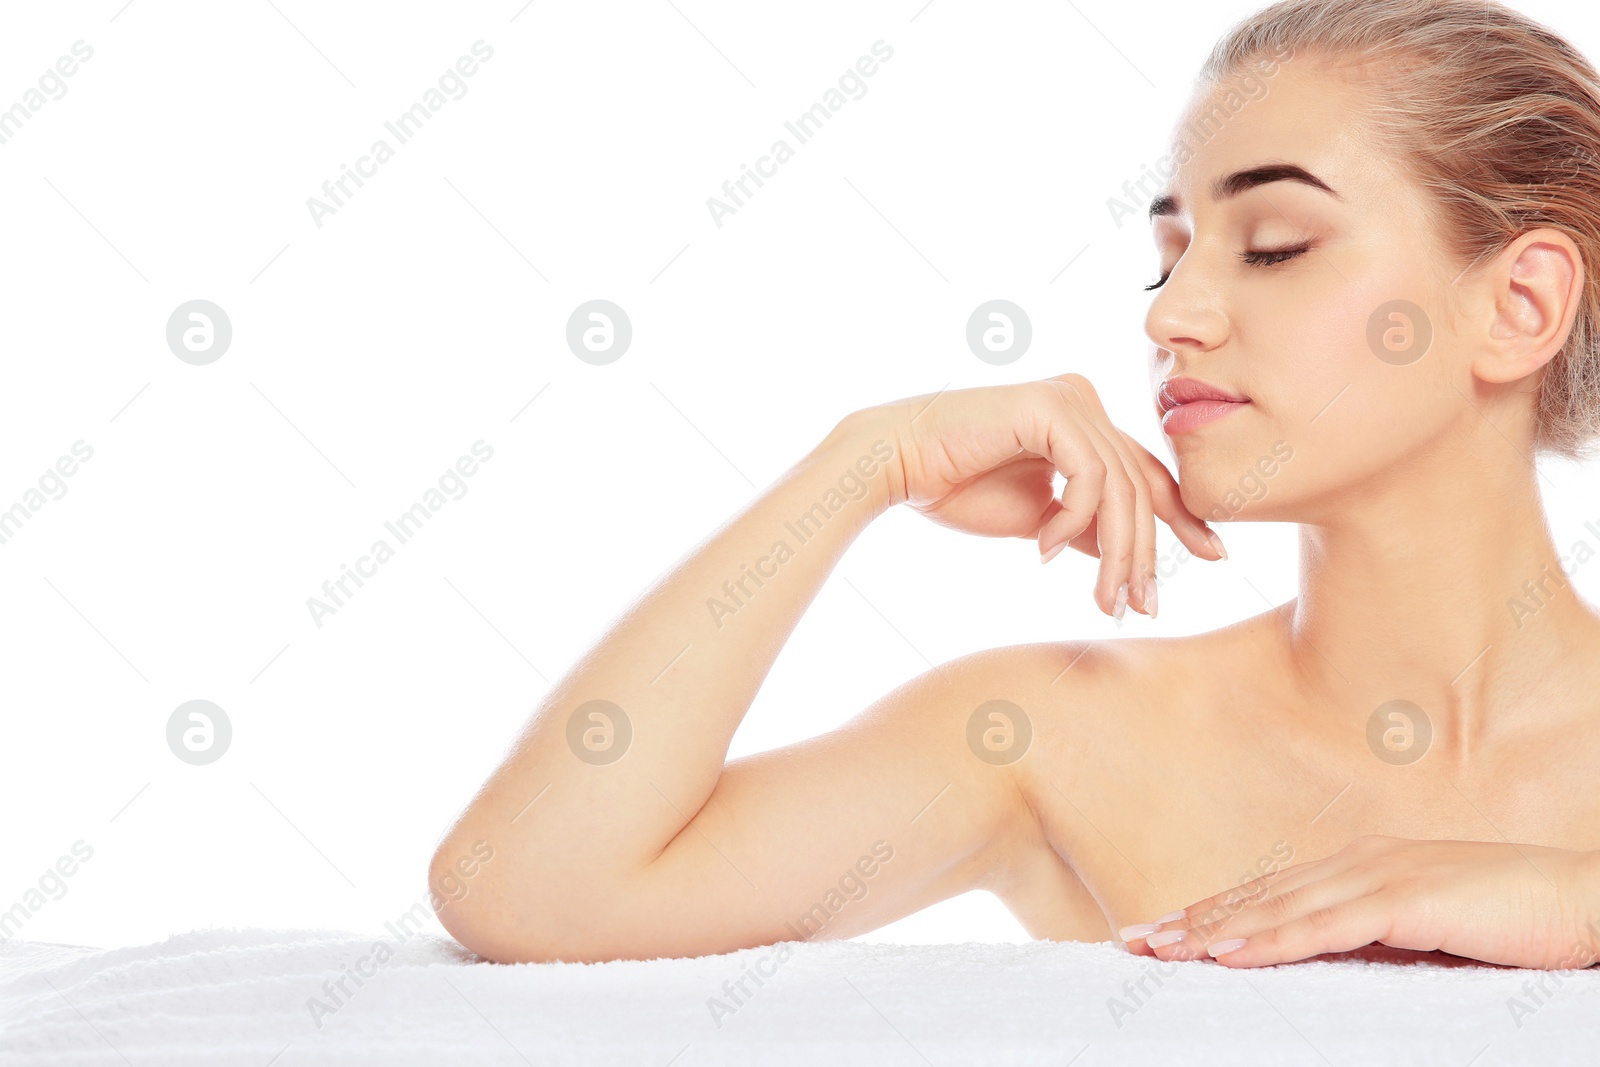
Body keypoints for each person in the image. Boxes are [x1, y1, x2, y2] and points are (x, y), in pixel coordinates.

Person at [429, 0, 1600, 970]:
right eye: (1166, 256)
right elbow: (532, 893)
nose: (1173, 313)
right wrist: (866, 460)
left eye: (1275, 242)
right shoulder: (1054, 735)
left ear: (1519, 306)